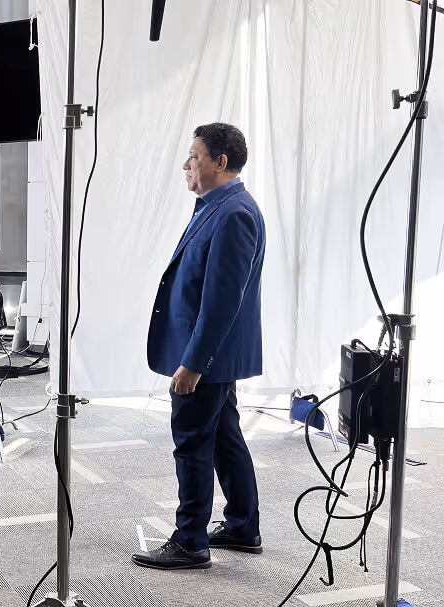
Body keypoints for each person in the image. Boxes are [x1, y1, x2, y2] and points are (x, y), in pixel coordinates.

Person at [135, 123, 266, 571]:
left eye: (194, 156)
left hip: (207, 357)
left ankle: (190, 541)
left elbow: (223, 301)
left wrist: (193, 363)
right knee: (225, 438)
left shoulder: (234, 215)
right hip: (213, 355)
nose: (186, 164)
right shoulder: (218, 207)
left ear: (219, 162)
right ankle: (243, 526)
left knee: (192, 443)